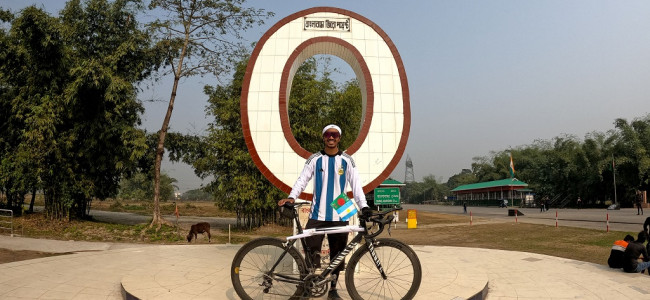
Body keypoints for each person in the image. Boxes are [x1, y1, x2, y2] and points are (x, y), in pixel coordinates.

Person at [278, 124, 370, 300]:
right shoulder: (315, 159)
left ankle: (333, 290)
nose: (331, 137)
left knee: (338, 256)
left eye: (335, 134)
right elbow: (302, 180)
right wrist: (292, 197)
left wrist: (363, 206)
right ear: (323, 137)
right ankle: (307, 288)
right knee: (311, 254)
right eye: (328, 134)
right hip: (317, 215)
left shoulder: (347, 160)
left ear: (339, 138)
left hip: (340, 214)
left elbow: (357, 187)